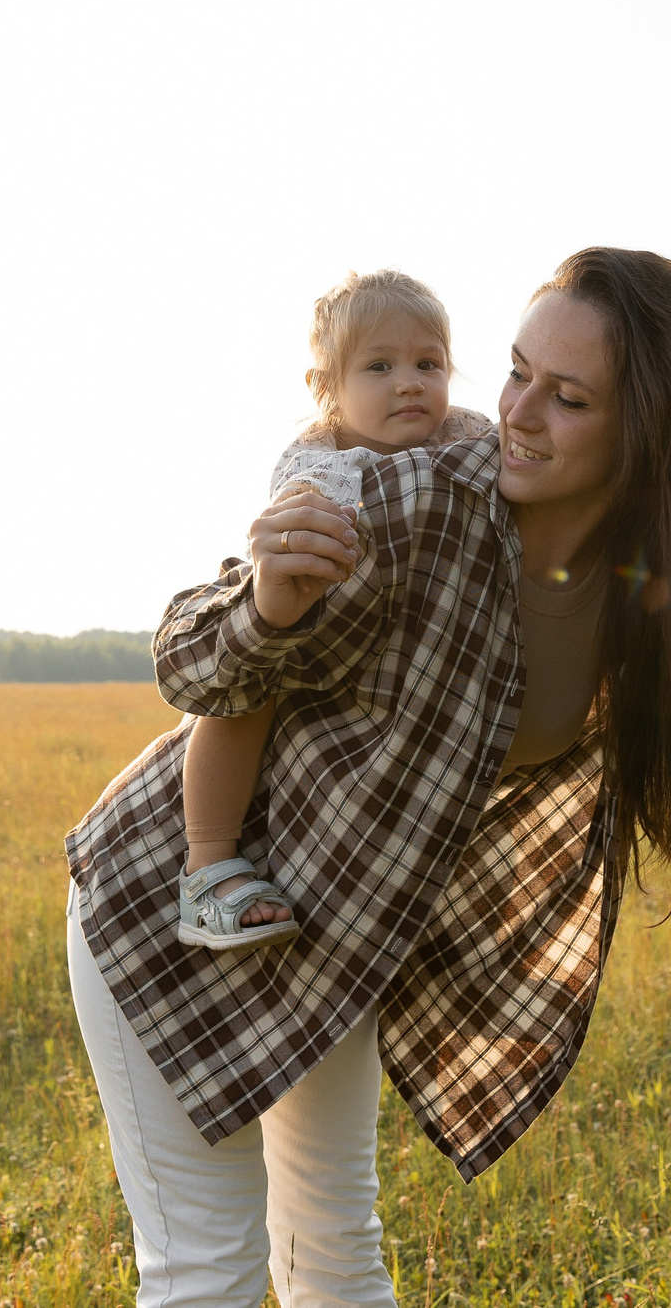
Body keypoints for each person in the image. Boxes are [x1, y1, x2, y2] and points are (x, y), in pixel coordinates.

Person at [64, 246, 671, 1308]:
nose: (517, 413)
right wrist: (267, 602)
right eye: (517, 371)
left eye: (568, 397)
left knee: (334, 1251)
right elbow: (187, 661)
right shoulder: (416, 500)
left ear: (653, 434)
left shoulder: (646, 581)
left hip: (329, 933)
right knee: (209, 1268)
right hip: (169, 899)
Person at [177, 268, 494, 952]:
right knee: (247, 692)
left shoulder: (468, 438)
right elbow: (305, 546)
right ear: (327, 391)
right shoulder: (320, 463)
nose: (409, 381)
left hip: (404, 657)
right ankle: (207, 862)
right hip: (316, 618)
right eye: (378, 365)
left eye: (427, 362)